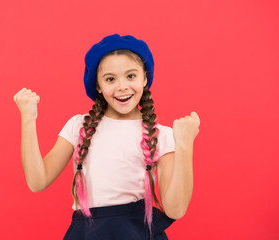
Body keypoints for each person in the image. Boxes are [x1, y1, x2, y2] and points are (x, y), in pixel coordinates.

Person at [13, 33, 200, 240]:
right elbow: (37, 182)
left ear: (145, 78)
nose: (122, 86)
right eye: (110, 79)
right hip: (87, 234)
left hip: (136, 233)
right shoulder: (78, 126)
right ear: (98, 86)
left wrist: (184, 147)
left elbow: (176, 210)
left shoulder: (161, 135)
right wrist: (28, 119)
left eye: (131, 76)